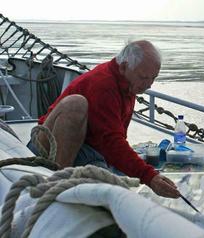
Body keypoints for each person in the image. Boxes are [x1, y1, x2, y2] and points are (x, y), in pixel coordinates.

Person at [27, 40, 180, 198]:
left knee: (113, 189)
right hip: (49, 148)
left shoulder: (128, 83)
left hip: (86, 147)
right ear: (124, 66)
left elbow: (113, 140)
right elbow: (111, 142)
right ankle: (58, 184)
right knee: (76, 104)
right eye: (144, 78)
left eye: (153, 78)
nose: (149, 85)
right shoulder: (104, 85)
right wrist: (149, 177)